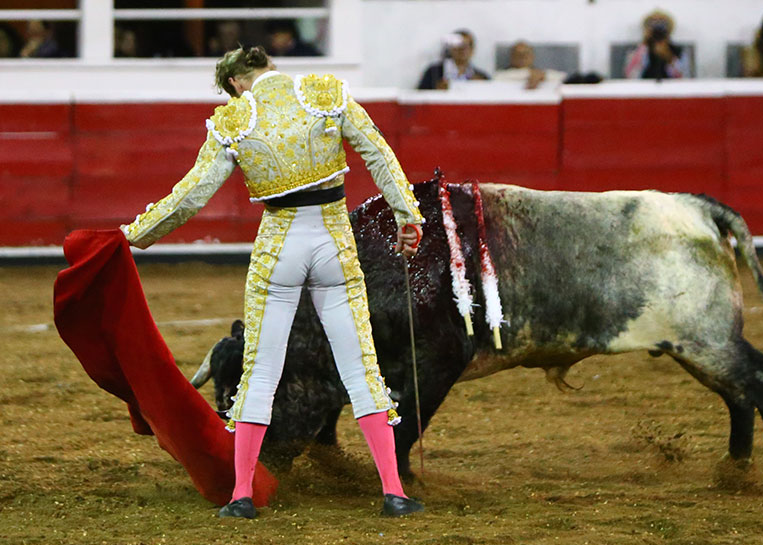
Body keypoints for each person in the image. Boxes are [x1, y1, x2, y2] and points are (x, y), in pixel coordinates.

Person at [120, 46, 425, 520]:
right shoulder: (327, 92)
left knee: (260, 373)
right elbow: (379, 155)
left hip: (278, 246)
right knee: (362, 368)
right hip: (333, 242)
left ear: (237, 84)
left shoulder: (235, 118)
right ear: (269, 70)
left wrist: (132, 236)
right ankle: (393, 492)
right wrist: (408, 217)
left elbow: (191, 196)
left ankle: (241, 495)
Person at [624, 10, 690, 80]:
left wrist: (669, 57)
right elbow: (631, 77)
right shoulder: (637, 51)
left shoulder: (679, 51)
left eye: (662, 24)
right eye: (653, 24)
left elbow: (685, 78)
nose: (657, 28)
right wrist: (644, 47)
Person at [417, 29, 490, 90]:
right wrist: (436, 90)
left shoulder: (482, 77)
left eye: (466, 46)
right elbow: (419, 97)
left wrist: (480, 87)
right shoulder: (433, 73)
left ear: (472, 50)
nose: (462, 50)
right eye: (458, 45)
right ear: (451, 48)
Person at [494, 40, 567, 90]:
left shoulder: (542, 74)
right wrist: (529, 74)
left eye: (526, 54)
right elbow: (497, 78)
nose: (522, 58)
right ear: (512, 57)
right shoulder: (503, 76)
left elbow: (563, 78)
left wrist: (543, 75)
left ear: (532, 57)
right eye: (518, 55)